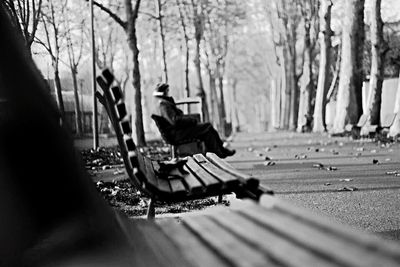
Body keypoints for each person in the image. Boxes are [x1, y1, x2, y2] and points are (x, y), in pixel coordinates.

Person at [153, 83, 235, 158]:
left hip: (178, 132)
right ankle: (219, 152)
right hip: (176, 134)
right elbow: (175, 121)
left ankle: (217, 152)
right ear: (163, 93)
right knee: (207, 126)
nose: (168, 92)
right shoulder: (164, 105)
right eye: (167, 91)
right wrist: (192, 120)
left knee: (207, 133)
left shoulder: (164, 103)